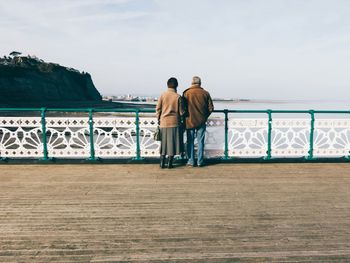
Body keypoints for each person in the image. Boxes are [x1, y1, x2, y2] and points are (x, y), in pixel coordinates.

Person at [183, 76, 214, 167]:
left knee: (190, 142)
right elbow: (211, 108)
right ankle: (200, 161)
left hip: (189, 121)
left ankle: (191, 161)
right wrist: (204, 117)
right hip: (201, 122)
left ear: (192, 83)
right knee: (201, 142)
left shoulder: (186, 93)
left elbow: (182, 109)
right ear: (200, 83)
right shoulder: (205, 93)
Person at [156, 77, 185, 169]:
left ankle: (161, 163)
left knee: (164, 143)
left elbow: (158, 109)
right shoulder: (178, 97)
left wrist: (159, 119)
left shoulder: (162, 95)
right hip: (174, 123)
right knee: (172, 143)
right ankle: (170, 163)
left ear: (167, 85)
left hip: (164, 122)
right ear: (176, 85)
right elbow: (181, 112)